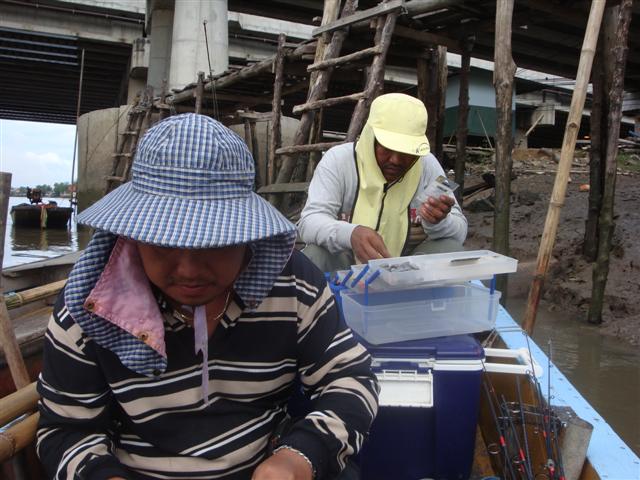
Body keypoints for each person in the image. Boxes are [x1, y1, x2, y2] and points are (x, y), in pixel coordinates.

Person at [36, 114, 379, 480]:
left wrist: (299, 457)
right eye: (163, 243)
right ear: (131, 235)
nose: (188, 270)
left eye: (213, 244)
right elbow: (66, 430)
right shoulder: (91, 305)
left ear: (247, 234)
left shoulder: (294, 284)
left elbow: (351, 379)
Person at [298, 93, 467, 273]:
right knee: (314, 256)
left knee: (451, 250)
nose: (395, 160)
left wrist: (439, 223)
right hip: (345, 269)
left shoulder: (428, 165)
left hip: (408, 273)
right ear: (370, 137)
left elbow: (460, 232)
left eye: (405, 151)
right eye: (386, 148)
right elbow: (309, 221)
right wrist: (350, 233)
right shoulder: (338, 160)